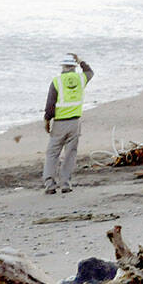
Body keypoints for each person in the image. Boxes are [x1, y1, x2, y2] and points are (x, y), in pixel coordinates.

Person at [43, 53, 94, 194]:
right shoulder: (81, 79)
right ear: (74, 66)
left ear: (63, 67)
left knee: (52, 154)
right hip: (75, 122)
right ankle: (65, 183)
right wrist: (81, 60)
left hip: (60, 123)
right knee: (70, 154)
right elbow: (90, 72)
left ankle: (50, 184)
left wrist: (47, 120)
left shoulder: (57, 81)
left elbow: (50, 105)